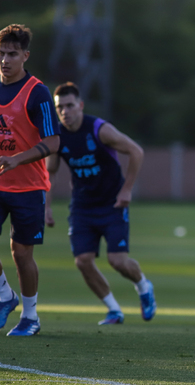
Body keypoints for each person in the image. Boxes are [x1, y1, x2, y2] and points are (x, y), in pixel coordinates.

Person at [45, 82, 156, 325]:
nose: (65, 111)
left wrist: (127, 190)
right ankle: (114, 310)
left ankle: (143, 286)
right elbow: (50, 172)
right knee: (82, 261)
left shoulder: (99, 129)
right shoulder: (57, 136)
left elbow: (136, 151)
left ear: (80, 105)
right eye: (59, 107)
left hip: (112, 204)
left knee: (117, 260)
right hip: (82, 207)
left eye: (70, 105)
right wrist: (46, 206)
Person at [0, 24, 61, 336]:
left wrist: (16, 159)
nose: (5, 60)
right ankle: (4, 296)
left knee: (21, 254)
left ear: (25, 56)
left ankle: (31, 316)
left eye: (12, 54)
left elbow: (53, 143)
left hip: (29, 186)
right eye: (1, 54)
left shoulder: (37, 92)